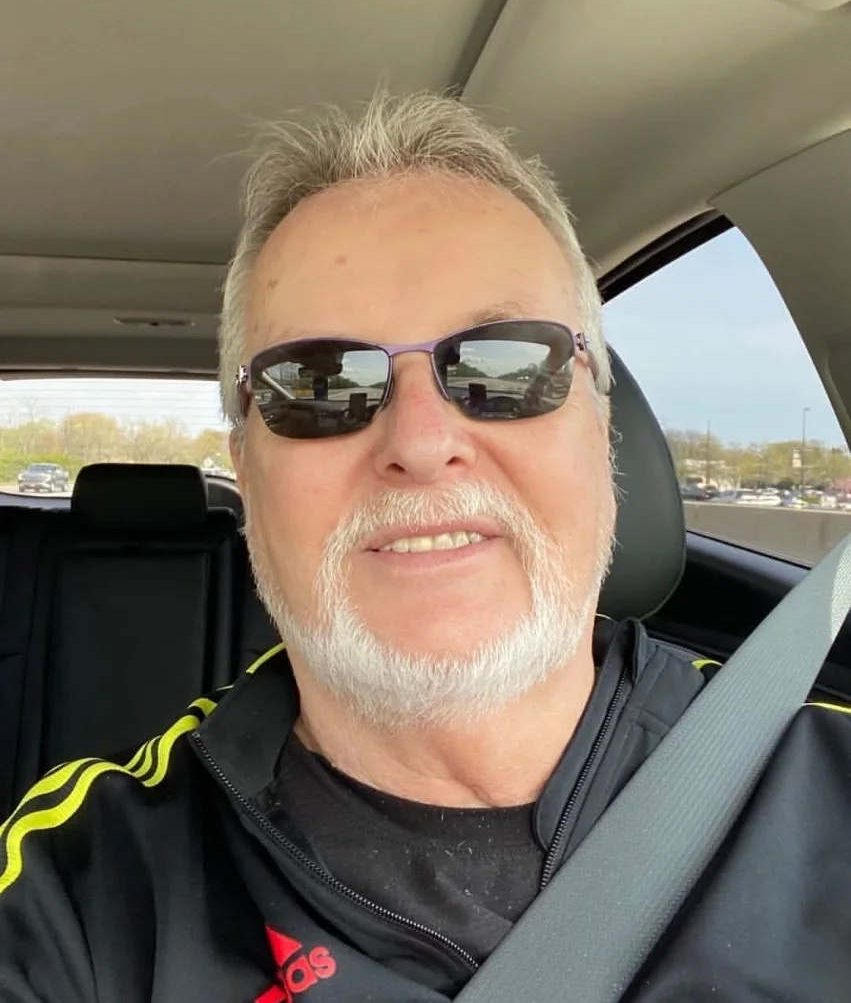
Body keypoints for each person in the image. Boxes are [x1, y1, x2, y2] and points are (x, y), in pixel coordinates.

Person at [2, 91, 850, 1003]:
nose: (418, 438)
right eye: (317, 383)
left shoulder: (825, 786)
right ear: (245, 470)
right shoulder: (82, 889)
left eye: (505, 364)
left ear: (599, 429)